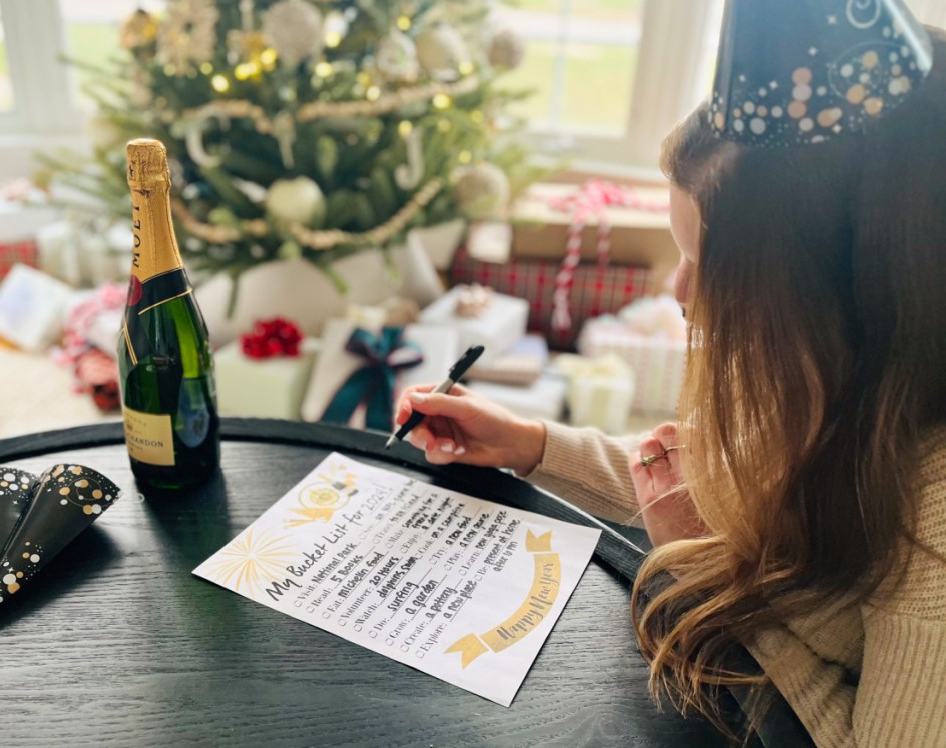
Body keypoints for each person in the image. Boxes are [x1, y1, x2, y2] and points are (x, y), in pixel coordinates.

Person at [394, 5, 946, 745]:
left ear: (834, 294)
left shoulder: (933, 523)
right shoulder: (829, 379)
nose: (680, 292)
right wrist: (530, 445)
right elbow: (698, 495)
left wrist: (691, 573)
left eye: (705, 263)